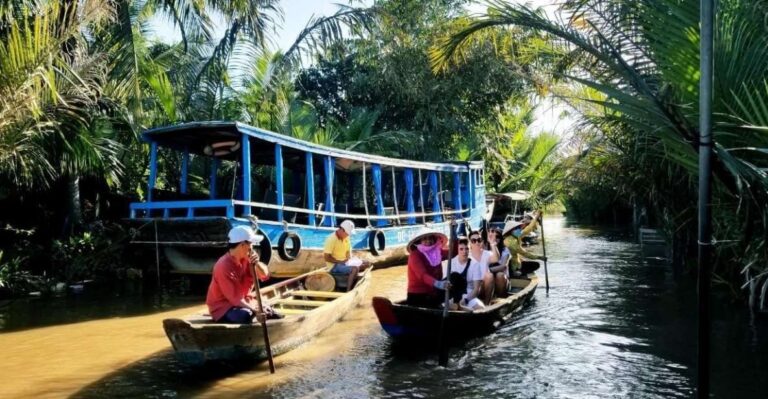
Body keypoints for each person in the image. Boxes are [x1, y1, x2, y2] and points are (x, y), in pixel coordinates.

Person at [206, 225, 277, 324]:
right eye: (251, 244)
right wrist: (256, 310)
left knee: (272, 312)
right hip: (224, 308)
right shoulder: (223, 266)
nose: (252, 247)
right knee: (245, 315)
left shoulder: (248, 258)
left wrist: (257, 263)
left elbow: (264, 275)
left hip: (244, 301)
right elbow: (235, 299)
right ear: (243, 245)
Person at [406, 230, 451, 308]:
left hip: (433, 292)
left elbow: (452, 253)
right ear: (420, 241)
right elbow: (423, 275)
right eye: (425, 239)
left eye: (431, 238)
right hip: (418, 295)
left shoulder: (437, 251)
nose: (428, 241)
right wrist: (438, 284)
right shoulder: (415, 255)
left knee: (455, 277)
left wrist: (455, 237)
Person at [324, 219, 372, 291]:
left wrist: (351, 260)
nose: (348, 235)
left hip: (345, 262)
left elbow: (348, 252)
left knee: (367, 263)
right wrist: (340, 262)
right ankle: (348, 290)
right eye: (347, 233)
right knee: (355, 268)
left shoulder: (346, 237)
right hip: (334, 266)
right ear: (342, 230)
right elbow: (327, 258)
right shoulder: (331, 239)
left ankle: (353, 278)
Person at [503, 210, 547, 276]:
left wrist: (536, 217)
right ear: (511, 231)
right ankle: (515, 273)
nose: (520, 230)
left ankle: (518, 270)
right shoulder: (511, 242)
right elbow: (525, 253)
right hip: (511, 265)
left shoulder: (516, 236)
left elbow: (528, 229)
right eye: (517, 229)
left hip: (517, 261)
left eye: (519, 228)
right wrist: (540, 257)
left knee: (532, 264)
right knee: (536, 265)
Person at [448, 237, 485, 310]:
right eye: (461, 249)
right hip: (453, 294)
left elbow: (476, 289)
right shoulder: (451, 262)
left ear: (470, 249)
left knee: (481, 308)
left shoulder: (475, 265)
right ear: (457, 250)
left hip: (468, 295)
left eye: (466, 249)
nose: (464, 252)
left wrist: (466, 300)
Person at [467, 229, 499, 304]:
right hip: (471, 288)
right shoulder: (467, 255)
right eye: (473, 241)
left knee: (489, 276)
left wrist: (492, 244)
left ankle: (487, 304)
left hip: (484, 287)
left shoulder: (486, 254)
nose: (477, 242)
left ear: (482, 241)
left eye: (479, 240)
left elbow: (496, 258)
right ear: (470, 243)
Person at [487, 227, 511, 297]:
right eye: (493, 236)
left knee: (499, 275)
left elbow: (503, 266)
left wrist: (488, 270)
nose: (495, 238)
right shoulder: (486, 249)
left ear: (500, 239)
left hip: (503, 280)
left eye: (497, 237)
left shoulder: (505, 250)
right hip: (489, 279)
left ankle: (501, 298)